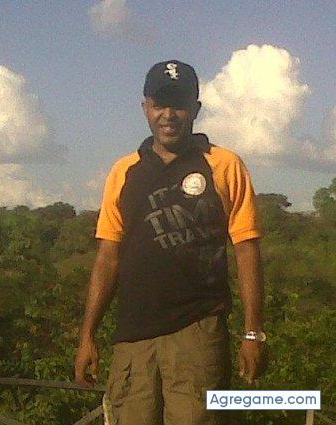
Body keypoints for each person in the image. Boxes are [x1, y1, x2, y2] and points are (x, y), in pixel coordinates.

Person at [75, 60, 268, 424]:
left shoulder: (224, 165)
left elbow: (247, 251)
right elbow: (107, 259)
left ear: (196, 108)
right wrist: (87, 335)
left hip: (197, 332)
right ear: (145, 107)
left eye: (179, 104)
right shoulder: (124, 171)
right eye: (159, 104)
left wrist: (253, 333)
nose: (168, 115)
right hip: (133, 337)